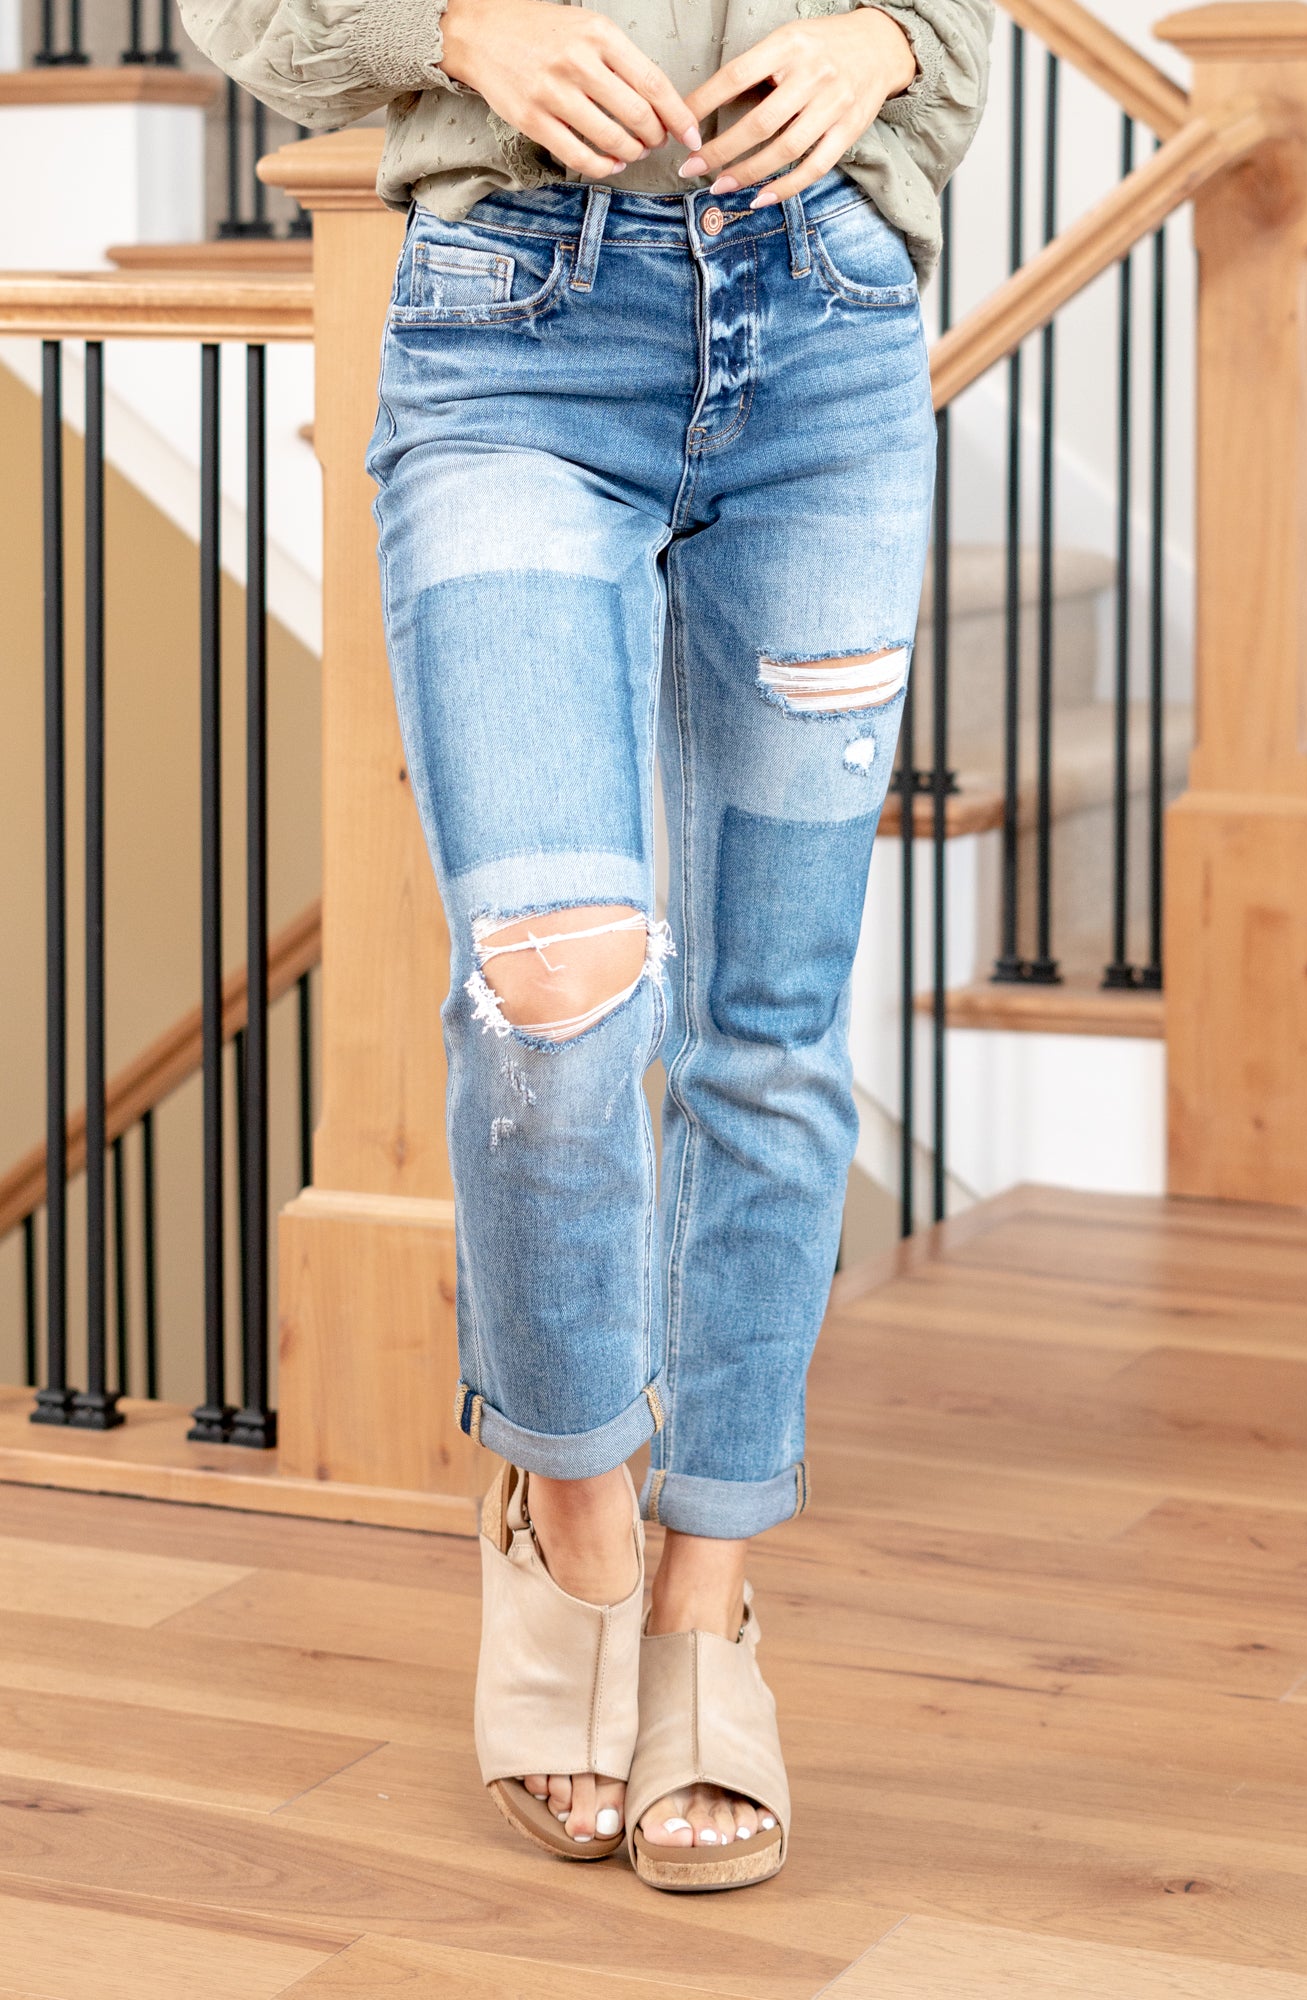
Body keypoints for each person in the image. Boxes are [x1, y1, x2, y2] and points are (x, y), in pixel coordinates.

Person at [182, 0, 993, 1893]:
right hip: (515, 330)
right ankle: (572, 1526)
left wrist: (887, 41)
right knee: (552, 989)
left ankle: (707, 1601)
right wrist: (456, 27)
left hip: (826, 331)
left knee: (769, 1024)